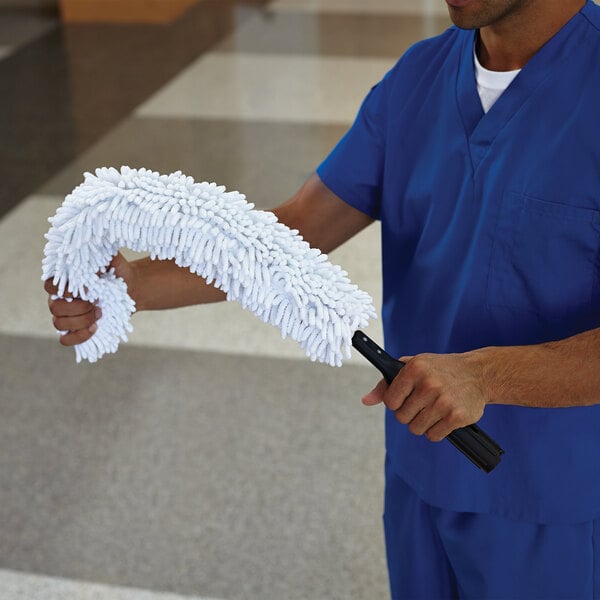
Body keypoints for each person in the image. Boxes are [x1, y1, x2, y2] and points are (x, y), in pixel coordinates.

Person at [45, 0, 600, 597]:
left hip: (555, 497)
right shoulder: (418, 78)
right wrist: (134, 288)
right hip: (421, 466)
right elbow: (299, 226)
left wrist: (484, 376)